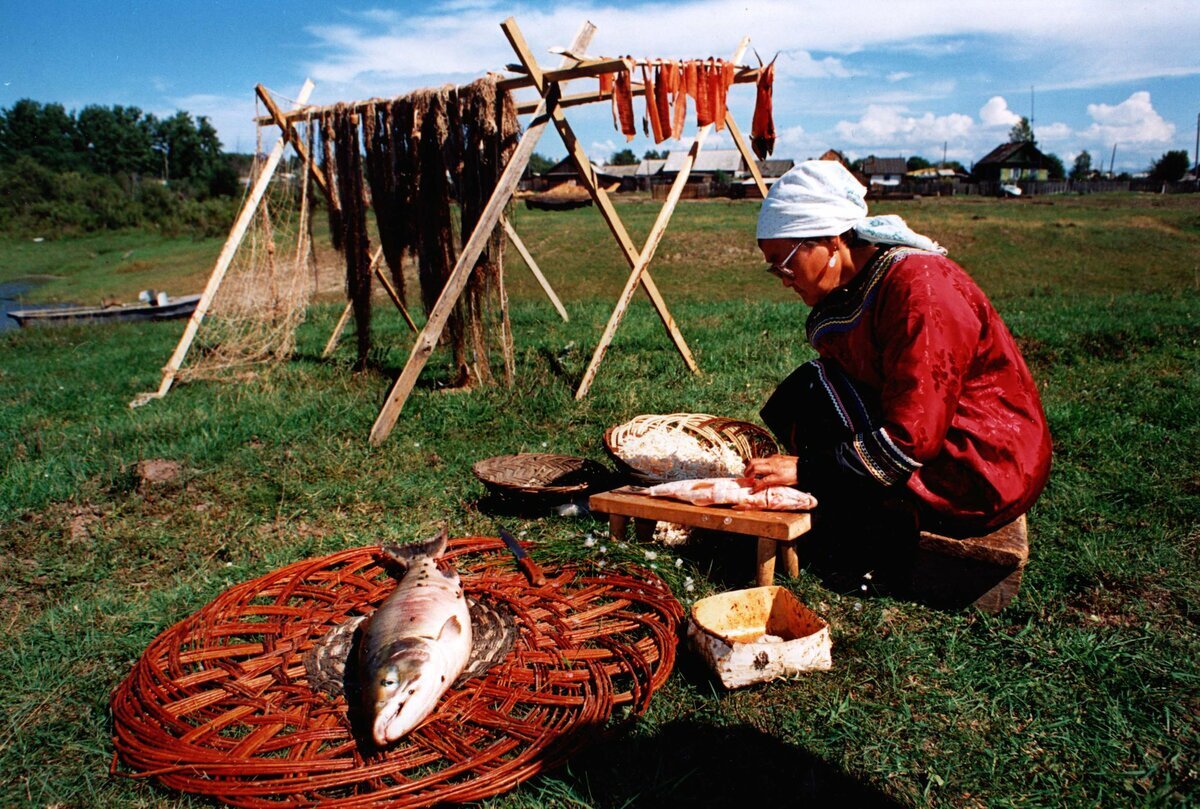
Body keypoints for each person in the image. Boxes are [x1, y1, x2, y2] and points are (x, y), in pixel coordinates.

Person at [743, 160, 1051, 548]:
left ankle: (871, 527)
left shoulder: (920, 291)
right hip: (951, 444)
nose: (784, 280)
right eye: (775, 271)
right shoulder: (868, 279)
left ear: (829, 242)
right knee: (810, 392)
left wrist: (808, 470)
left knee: (820, 400)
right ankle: (852, 504)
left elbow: (912, 439)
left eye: (785, 265)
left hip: (984, 469)